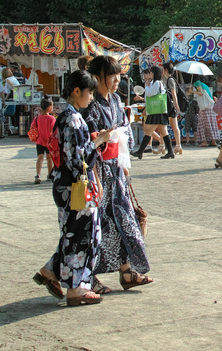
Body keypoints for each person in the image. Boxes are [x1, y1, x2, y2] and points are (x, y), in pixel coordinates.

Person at [33, 70, 111, 306]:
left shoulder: (66, 115)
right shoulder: (74, 118)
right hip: (76, 185)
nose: (91, 98)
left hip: (65, 184)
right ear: (77, 91)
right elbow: (78, 158)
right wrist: (98, 142)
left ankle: (53, 273)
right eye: (89, 93)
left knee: (73, 233)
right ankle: (76, 288)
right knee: (82, 236)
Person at [84, 56, 152, 293]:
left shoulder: (114, 100)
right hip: (98, 171)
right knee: (95, 225)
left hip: (116, 169)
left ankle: (126, 271)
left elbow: (124, 128)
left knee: (123, 221)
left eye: (118, 75)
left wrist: (122, 149)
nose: (116, 80)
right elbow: (88, 141)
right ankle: (83, 276)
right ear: (97, 77)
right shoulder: (90, 105)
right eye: (111, 75)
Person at [131, 66, 175, 159]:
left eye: (151, 72)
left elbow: (150, 94)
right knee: (163, 132)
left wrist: (146, 86)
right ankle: (170, 152)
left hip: (157, 111)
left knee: (148, 131)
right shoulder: (154, 83)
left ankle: (140, 152)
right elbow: (149, 97)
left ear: (154, 73)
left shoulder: (157, 83)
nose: (149, 74)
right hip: (158, 110)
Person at [31, 96, 55, 184]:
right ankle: (50, 174)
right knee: (49, 158)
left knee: (40, 158)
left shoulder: (37, 118)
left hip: (39, 141)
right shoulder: (52, 118)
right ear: (49, 108)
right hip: (49, 142)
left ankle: (38, 175)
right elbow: (54, 129)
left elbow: (33, 126)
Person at [191, 79, 219, 147]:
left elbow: (201, 93)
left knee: (203, 125)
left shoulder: (197, 83)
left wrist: (191, 91)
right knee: (211, 124)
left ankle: (204, 142)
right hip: (210, 107)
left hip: (204, 108)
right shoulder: (205, 85)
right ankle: (213, 141)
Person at [163, 62, 183, 154]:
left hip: (170, 106)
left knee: (168, 126)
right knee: (169, 126)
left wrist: (176, 105)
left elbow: (174, 93)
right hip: (170, 105)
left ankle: (163, 146)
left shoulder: (170, 80)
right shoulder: (168, 79)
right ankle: (177, 145)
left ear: (166, 69)